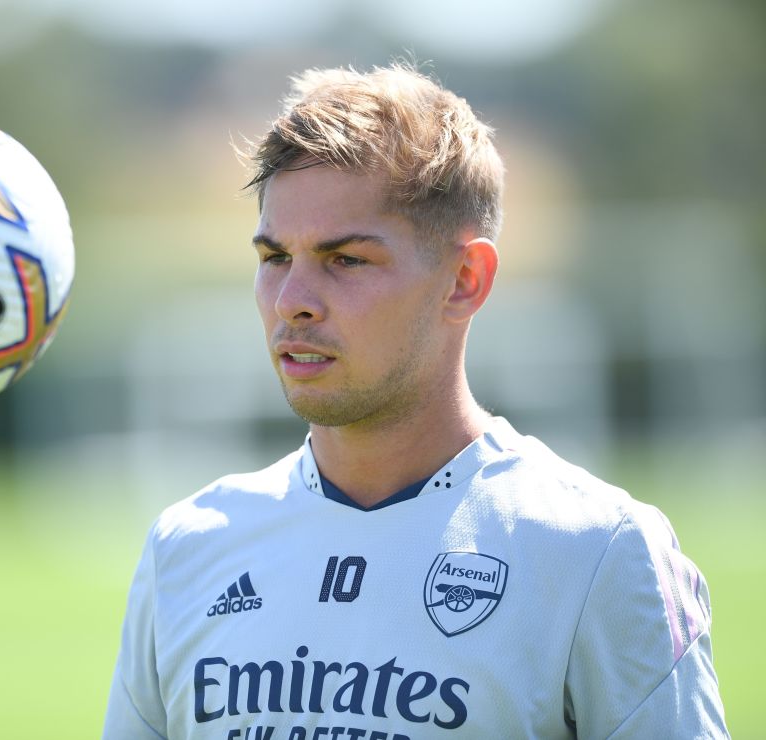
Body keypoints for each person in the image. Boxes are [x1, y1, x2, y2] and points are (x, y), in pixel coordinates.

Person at [103, 63, 728, 739]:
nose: (292, 302)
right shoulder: (189, 547)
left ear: (464, 279)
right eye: (275, 257)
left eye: (345, 260)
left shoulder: (598, 552)